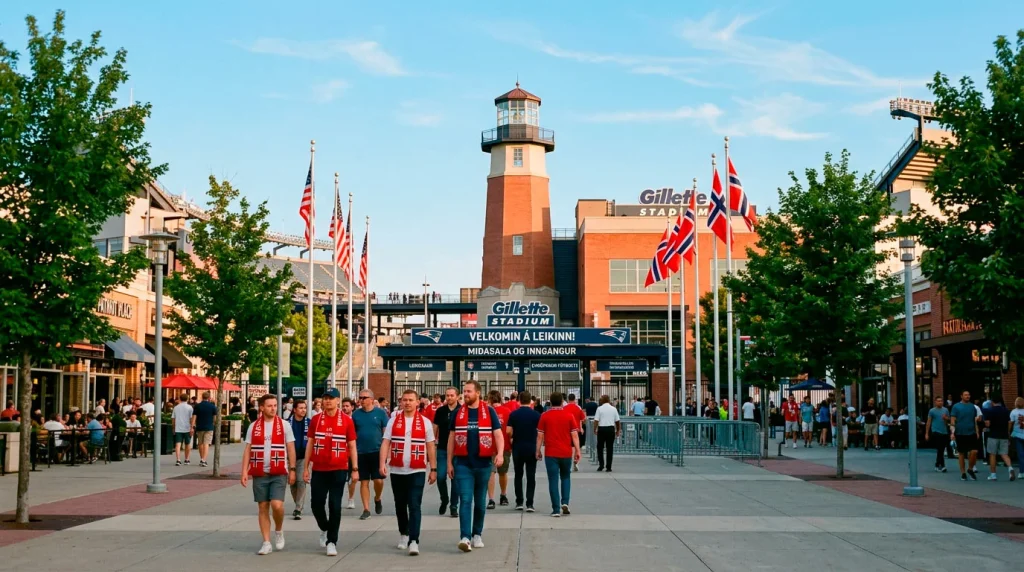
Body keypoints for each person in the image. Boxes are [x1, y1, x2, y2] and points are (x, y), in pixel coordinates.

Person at [446, 380, 503, 553]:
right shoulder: (458, 413)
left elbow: (498, 435)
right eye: (464, 391)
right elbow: (451, 439)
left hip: (483, 464)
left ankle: (477, 533)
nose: (466, 394)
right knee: (465, 500)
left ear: (478, 393)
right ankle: (465, 536)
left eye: (469, 391)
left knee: (479, 502)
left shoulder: (489, 411)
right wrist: (449, 462)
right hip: (463, 464)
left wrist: (500, 453)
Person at [380, 389, 437, 556]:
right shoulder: (393, 421)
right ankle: (403, 533)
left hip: (417, 469)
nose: (407, 403)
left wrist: (433, 469)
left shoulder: (425, 422)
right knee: (400, 505)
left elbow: (430, 446)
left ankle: (414, 540)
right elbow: (385, 442)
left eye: (411, 400)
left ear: (417, 402)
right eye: (404, 400)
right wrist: (382, 463)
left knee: (414, 505)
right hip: (397, 470)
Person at [303, 388, 359, 557]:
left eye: (331, 398)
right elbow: (310, 444)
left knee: (335, 505)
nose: (328, 401)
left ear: (338, 401)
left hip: (339, 468)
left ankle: (332, 541)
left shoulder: (347, 421)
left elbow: (352, 446)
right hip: (319, 469)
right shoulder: (315, 420)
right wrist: (306, 467)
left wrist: (355, 469)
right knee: (316, 504)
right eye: (325, 398)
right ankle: (325, 528)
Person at [241, 394, 297, 555]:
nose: (273, 408)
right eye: (270, 405)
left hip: (278, 471)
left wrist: (292, 469)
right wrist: (244, 470)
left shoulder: (284, 425)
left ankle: (278, 530)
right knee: (263, 506)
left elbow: (291, 448)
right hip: (260, 472)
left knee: (277, 505)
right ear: (262, 407)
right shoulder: (254, 426)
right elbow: (248, 449)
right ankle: (266, 542)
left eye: (275, 405)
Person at [537, 392, 581, 517]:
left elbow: (540, 435)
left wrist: (538, 450)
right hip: (566, 452)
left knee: (553, 480)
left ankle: (556, 509)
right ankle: (565, 502)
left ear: (550, 402)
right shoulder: (569, 415)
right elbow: (574, 435)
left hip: (551, 453)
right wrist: (577, 450)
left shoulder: (544, 416)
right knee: (566, 477)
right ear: (562, 402)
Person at [352, 388, 390, 520]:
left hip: (377, 451)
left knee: (378, 480)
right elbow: (352, 434)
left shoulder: (380, 413)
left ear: (371, 399)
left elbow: (386, 433)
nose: (361, 400)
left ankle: (377, 498)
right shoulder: (356, 414)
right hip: (361, 452)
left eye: (364, 398)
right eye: (360, 397)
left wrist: (386, 452)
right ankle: (366, 508)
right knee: (364, 481)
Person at [507, 390, 540, 511]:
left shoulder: (514, 414)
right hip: (531, 446)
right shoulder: (536, 415)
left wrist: (512, 437)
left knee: (518, 474)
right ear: (530, 400)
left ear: (519, 400)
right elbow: (541, 432)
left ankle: (519, 501)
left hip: (518, 446)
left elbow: (508, 431)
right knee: (531, 475)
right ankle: (530, 503)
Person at [432, 387, 460, 518]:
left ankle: (454, 505)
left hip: (458, 450)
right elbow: (435, 428)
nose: (449, 397)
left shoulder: (462, 410)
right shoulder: (440, 411)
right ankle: (444, 498)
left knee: (455, 479)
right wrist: (431, 446)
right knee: (440, 477)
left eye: (452, 395)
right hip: (442, 448)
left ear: (457, 396)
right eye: (447, 395)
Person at [486, 390, 511, 509]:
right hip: (504, 446)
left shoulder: (487, 412)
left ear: (490, 399)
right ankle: (503, 494)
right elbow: (510, 430)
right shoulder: (507, 412)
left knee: (491, 473)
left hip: (489, 447)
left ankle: (491, 499)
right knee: (503, 472)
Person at [950, 390, 981, 481]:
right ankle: (963, 472)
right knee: (961, 453)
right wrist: (952, 432)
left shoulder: (972, 407)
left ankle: (970, 468)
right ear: (961, 396)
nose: (968, 396)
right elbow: (953, 420)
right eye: (966, 395)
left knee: (974, 451)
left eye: (969, 395)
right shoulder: (956, 407)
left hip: (971, 432)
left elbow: (974, 420)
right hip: (960, 432)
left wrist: (977, 431)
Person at [982, 393, 1013, 481]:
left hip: (993, 435)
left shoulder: (990, 411)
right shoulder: (1005, 410)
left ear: (992, 401)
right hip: (1003, 435)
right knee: (1004, 454)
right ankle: (1010, 468)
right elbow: (1009, 422)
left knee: (993, 454)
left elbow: (988, 424)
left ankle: (993, 474)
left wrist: (986, 425)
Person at [289, 399, 310, 519]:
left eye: (305, 408)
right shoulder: (288, 423)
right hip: (290, 457)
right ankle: (298, 503)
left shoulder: (309, 422)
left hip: (304, 457)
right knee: (293, 482)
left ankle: (298, 508)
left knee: (301, 481)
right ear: (295, 410)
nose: (303, 410)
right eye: (301, 408)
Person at [593, 395, 621, 471]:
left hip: (602, 429)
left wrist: (595, 429)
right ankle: (609, 466)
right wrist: (618, 430)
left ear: (602, 400)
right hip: (611, 429)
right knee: (610, 448)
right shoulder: (614, 409)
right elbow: (617, 421)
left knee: (600, 448)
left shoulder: (599, 409)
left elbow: (596, 420)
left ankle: (601, 465)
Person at [340, 397, 359, 509]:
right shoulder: (339, 419)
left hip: (352, 451)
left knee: (353, 478)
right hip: (341, 451)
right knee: (341, 477)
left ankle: (351, 498)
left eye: (347, 406)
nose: (345, 408)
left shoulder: (355, 420)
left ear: (352, 407)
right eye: (343, 406)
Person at [192, 391, 217, 467]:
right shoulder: (212, 406)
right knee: (206, 443)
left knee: (200, 443)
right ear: (209, 398)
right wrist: (214, 424)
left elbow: (194, 417)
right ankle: (204, 460)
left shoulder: (197, 406)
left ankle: (202, 458)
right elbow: (215, 418)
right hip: (209, 427)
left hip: (200, 426)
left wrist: (192, 426)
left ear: (202, 397)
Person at [564, 394, 586, 470]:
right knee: (577, 447)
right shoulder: (578, 408)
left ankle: (568, 462)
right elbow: (582, 419)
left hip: (567, 430)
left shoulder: (564, 408)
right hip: (576, 430)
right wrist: (581, 428)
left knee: (568, 447)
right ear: (575, 399)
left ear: (568, 399)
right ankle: (576, 461)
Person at [171, 394, 194, 466]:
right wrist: (192, 427)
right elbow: (191, 418)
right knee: (187, 444)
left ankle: (178, 459)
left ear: (180, 399)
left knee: (178, 444)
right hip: (187, 428)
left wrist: (173, 428)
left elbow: (173, 419)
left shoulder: (176, 408)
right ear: (187, 399)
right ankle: (187, 459)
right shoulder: (190, 407)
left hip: (178, 428)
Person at [1010, 397, 1024, 480]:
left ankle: (1022, 472)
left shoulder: (1013, 412)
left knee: (1020, 454)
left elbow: (1010, 423)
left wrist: (1009, 433)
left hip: (1017, 434)